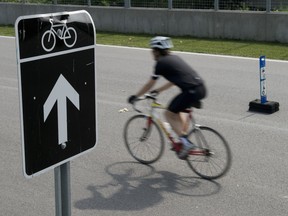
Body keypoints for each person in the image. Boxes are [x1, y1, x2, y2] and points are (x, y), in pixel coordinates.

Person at [128, 36, 207, 159]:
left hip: (190, 91)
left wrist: (135, 96)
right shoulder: (174, 58)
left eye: (153, 51)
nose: (152, 53)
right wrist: (158, 91)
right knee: (177, 111)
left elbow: (150, 83)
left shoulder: (160, 64)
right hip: (201, 88)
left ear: (157, 51)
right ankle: (182, 138)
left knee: (168, 114)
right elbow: (173, 81)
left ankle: (186, 143)